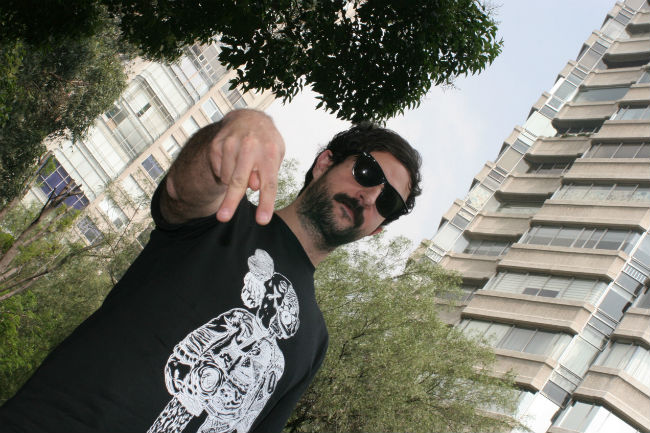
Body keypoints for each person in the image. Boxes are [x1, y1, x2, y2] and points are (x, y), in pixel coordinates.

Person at [0, 109, 422, 433]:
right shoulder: (225, 214)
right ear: (325, 162)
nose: (370, 196)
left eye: (388, 203)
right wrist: (240, 126)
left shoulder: (315, 341)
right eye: (367, 172)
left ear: (377, 229)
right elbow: (182, 190)